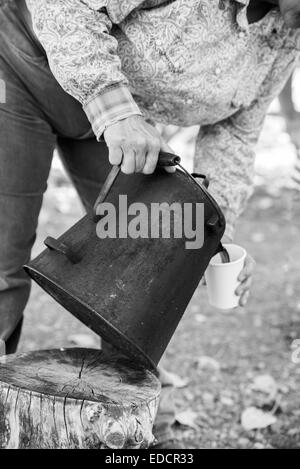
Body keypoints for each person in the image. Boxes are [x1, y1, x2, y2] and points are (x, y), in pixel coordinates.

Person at [0, 0, 299, 448]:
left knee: (142, 259)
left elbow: (234, 133)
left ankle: (123, 430)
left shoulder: (284, 39)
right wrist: (115, 111)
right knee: (4, 255)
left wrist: (209, 238)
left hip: (116, 117)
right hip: (24, 69)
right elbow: (64, 5)